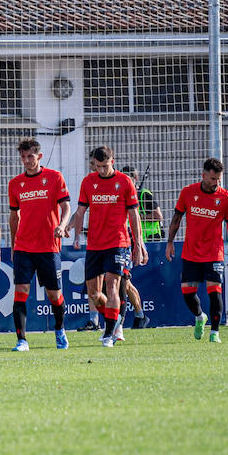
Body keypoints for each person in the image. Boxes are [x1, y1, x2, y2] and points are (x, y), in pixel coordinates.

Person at [65, 145, 147, 348]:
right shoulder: (88, 182)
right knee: (93, 293)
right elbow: (81, 211)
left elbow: (134, 215)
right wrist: (74, 233)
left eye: (105, 166)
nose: (101, 170)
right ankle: (115, 320)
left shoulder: (124, 182)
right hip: (94, 244)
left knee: (113, 286)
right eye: (97, 166)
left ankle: (109, 334)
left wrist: (138, 244)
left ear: (113, 161)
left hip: (118, 243)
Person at [6, 138, 71, 352]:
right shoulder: (15, 183)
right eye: (23, 157)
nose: (26, 160)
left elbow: (66, 207)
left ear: (39, 156)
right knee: (20, 291)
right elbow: (14, 217)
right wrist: (13, 245)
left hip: (48, 247)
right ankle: (21, 340)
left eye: (30, 156)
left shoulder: (54, 177)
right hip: (24, 247)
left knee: (54, 295)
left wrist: (62, 225)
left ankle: (59, 330)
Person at [166, 158, 228, 344]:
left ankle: (215, 332)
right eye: (213, 179)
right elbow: (176, 218)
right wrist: (170, 242)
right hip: (191, 252)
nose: (216, 183)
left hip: (214, 252)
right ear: (203, 175)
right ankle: (200, 316)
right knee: (187, 292)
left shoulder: (225, 198)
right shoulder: (188, 192)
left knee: (215, 292)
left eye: (219, 179)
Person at [123, 165, 164, 242]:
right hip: (132, 240)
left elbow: (158, 216)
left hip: (150, 239)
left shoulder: (144, 194)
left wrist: (139, 217)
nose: (125, 182)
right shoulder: (123, 196)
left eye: (128, 178)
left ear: (135, 178)